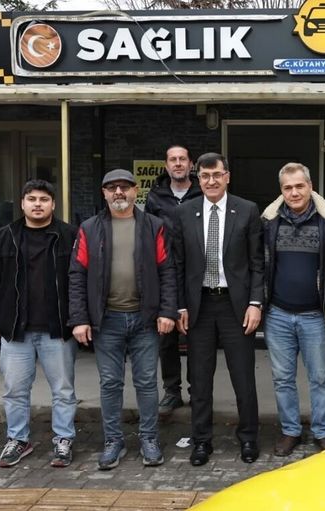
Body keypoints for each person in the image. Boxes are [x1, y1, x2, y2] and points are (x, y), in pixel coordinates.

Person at [68, 169, 178, 470]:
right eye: (112, 187)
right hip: (107, 320)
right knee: (110, 383)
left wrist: (167, 311)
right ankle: (113, 441)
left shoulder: (154, 226)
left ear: (135, 191)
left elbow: (167, 271)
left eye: (125, 187)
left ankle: (149, 439)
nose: (119, 192)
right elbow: (77, 275)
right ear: (104, 193)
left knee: (146, 382)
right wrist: (79, 318)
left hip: (145, 319)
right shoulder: (89, 228)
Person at [172, 152, 264, 466]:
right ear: (198, 179)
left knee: (243, 376)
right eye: (205, 176)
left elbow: (257, 262)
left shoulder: (247, 210)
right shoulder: (184, 212)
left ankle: (249, 438)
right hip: (198, 306)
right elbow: (178, 263)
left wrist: (255, 303)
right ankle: (201, 441)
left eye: (217, 175)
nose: (211, 181)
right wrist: (180, 306)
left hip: (235, 306)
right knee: (199, 378)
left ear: (227, 177)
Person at [0, 180, 78, 468]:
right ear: (22, 203)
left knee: (63, 390)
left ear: (53, 204)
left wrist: (78, 318)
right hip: (15, 329)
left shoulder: (69, 235)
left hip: (57, 328)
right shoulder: (4, 237)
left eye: (44, 199)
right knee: (14, 390)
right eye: (32, 199)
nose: (38, 204)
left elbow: (79, 280)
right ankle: (18, 439)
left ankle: (63, 439)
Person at [261, 163, 325, 456]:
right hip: (278, 314)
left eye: (299, 186)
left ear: (310, 187)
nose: (294, 192)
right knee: (283, 378)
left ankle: (322, 432)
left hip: (315, 315)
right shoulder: (269, 222)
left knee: (320, 378)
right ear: (281, 191)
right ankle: (290, 430)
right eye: (288, 187)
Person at [144, 145, 202, 416]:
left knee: (196, 335)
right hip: (164, 272)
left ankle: (197, 390)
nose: (178, 163)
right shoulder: (155, 196)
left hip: (196, 271)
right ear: (166, 165)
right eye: (172, 160)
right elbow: (148, 234)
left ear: (190, 164)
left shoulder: (202, 192)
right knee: (166, 335)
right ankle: (172, 391)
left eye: (182, 159)